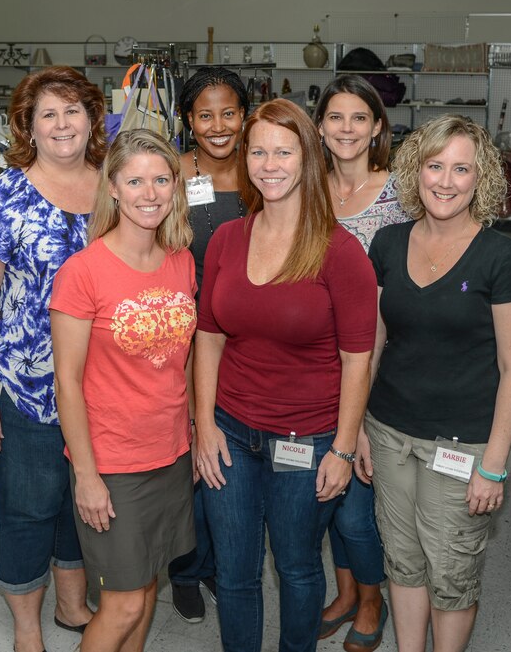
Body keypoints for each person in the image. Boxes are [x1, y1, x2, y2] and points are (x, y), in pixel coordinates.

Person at [194, 98, 378, 652]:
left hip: (308, 438)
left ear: (308, 158)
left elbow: (357, 359)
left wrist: (343, 449)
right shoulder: (228, 239)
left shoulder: (340, 251)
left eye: (284, 151)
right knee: (234, 572)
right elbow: (208, 336)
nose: (270, 164)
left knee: (298, 568)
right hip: (229, 432)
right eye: (259, 151)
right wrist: (202, 423)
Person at [363, 114, 511, 652]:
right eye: (435, 165)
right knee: (403, 559)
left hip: (461, 444)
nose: (445, 180)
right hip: (388, 431)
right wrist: (358, 428)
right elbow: (372, 344)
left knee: (452, 573)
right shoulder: (387, 244)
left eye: (461, 169)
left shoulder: (502, 258)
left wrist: (495, 464)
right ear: (416, 171)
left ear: (479, 179)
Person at [0, 66, 103, 652]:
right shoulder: (4, 196)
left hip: (101, 389)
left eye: (73, 110)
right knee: (28, 508)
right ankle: (25, 629)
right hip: (26, 391)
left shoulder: (114, 186)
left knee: (77, 502)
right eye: (49, 114)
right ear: (29, 127)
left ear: (92, 120)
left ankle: (71, 605)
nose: (63, 124)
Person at [51, 128, 197, 652]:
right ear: (112, 187)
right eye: (135, 180)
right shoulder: (83, 272)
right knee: (124, 601)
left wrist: (194, 433)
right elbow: (66, 382)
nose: (150, 192)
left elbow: (183, 360)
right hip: (113, 462)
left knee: (149, 580)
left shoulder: (181, 259)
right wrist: (87, 475)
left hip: (171, 452)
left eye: (161, 179)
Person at [312, 75, 409, 650]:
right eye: (335, 118)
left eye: (358, 119)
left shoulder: (402, 193)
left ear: (377, 127)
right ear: (320, 126)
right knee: (327, 491)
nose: (346, 129)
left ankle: (372, 601)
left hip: (379, 362)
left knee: (357, 505)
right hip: (316, 363)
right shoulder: (305, 187)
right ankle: (346, 593)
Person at [170, 66, 250, 623]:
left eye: (229, 113)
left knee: (232, 455)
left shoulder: (265, 167)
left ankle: (226, 564)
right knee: (186, 457)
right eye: (205, 114)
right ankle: (184, 568)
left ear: (245, 115)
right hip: (184, 335)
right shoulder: (175, 173)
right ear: (188, 121)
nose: (217, 126)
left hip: (248, 337)